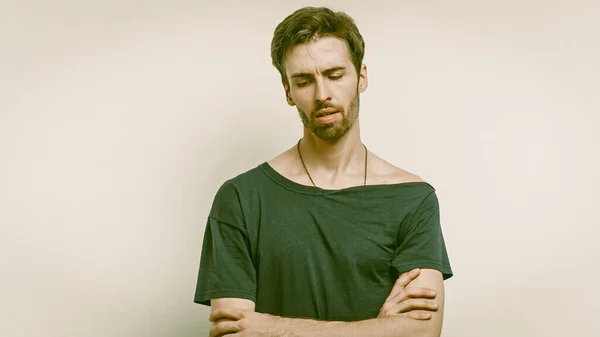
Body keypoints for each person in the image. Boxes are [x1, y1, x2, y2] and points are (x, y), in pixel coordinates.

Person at [194, 6, 453, 337]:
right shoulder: (242, 197)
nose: (322, 94)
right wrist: (380, 328)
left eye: (334, 75)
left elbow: (422, 333)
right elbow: (235, 333)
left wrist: (273, 327)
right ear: (288, 91)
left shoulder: (412, 198)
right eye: (304, 81)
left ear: (361, 77)